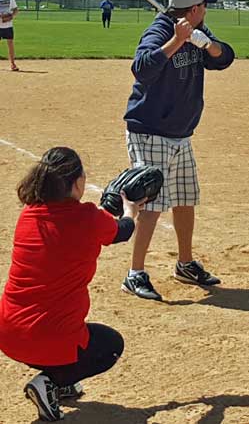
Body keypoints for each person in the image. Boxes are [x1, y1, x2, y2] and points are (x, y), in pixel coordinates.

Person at [0, 147, 145, 422]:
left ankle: (61, 380)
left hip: (8, 333)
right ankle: (51, 381)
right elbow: (122, 231)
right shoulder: (88, 219)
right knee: (110, 345)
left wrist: (105, 210)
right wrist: (130, 210)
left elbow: (74, 224)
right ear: (77, 183)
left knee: (61, 330)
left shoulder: (29, 214)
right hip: (44, 337)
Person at [121, 0, 235, 301]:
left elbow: (225, 57)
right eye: (205, 6)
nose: (207, 10)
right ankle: (135, 273)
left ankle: (185, 263)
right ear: (195, 9)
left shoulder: (199, 30)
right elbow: (142, 69)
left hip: (181, 133)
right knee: (152, 204)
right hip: (151, 130)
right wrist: (177, 41)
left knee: (185, 198)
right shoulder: (159, 31)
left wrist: (204, 43)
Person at [0, 0, 19, 71]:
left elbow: (16, 10)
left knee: (10, 44)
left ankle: (12, 64)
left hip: (8, 25)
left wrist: (11, 16)